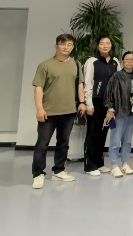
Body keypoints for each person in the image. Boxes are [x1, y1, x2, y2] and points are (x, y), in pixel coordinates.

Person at [31, 34, 85, 189]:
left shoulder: (76, 64)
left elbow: (80, 84)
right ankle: (38, 174)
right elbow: (38, 88)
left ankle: (59, 170)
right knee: (42, 144)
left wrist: (82, 102)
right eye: (63, 44)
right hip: (48, 112)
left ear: (72, 47)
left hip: (69, 112)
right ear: (56, 46)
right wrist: (39, 108)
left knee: (63, 143)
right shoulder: (45, 65)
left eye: (69, 45)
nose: (66, 47)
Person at [83, 36, 121, 176]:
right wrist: (89, 103)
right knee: (93, 133)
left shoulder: (115, 62)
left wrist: (114, 105)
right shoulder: (92, 61)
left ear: (111, 46)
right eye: (102, 43)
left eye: (107, 43)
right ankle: (90, 166)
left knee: (103, 132)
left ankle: (99, 163)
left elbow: (118, 83)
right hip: (95, 102)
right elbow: (88, 82)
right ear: (98, 46)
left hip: (109, 103)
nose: (105, 46)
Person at [103, 51, 133, 178]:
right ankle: (113, 165)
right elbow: (109, 93)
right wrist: (110, 109)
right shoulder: (116, 76)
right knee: (115, 140)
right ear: (123, 61)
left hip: (132, 114)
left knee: (128, 141)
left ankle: (125, 163)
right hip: (119, 113)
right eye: (127, 59)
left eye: (132, 59)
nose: (129, 61)